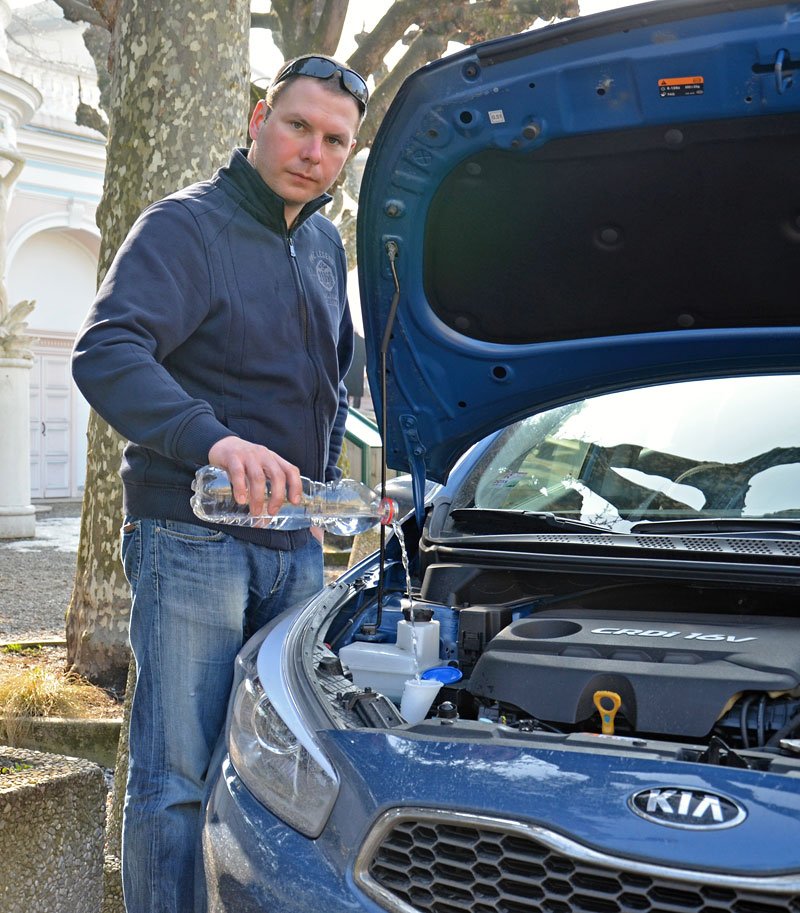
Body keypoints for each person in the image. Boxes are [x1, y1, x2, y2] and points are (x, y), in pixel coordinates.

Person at [71, 54, 368, 913]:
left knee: (276, 771)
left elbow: (331, 385)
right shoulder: (184, 227)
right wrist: (216, 440)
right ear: (255, 120)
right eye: (298, 125)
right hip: (190, 537)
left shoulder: (320, 243)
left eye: (335, 140)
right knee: (175, 774)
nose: (313, 150)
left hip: (295, 547)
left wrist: (324, 493)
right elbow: (108, 351)